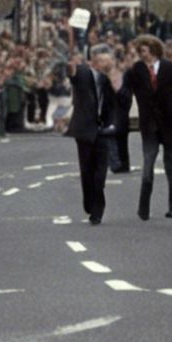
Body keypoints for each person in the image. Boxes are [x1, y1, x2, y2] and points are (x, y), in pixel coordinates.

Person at [124, 36, 172, 220]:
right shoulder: (134, 72)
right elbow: (124, 94)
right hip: (148, 126)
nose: (141, 55)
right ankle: (144, 208)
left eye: (144, 51)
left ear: (153, 51)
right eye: (139, 51)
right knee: (147, 167)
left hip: (170, 124)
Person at [64, 44, 125, 225]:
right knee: (87, 170)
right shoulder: (84, 73)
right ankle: (89, 202)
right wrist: (71, 63)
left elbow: (121, 100)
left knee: (100, 173)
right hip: (84, 129)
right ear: (95, 61)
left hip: (103, 130)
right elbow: (72, 73)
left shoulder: (110, 80)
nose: (107, 64)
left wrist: (116, 82)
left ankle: (98, 210)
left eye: (109, 61)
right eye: (103, 61)